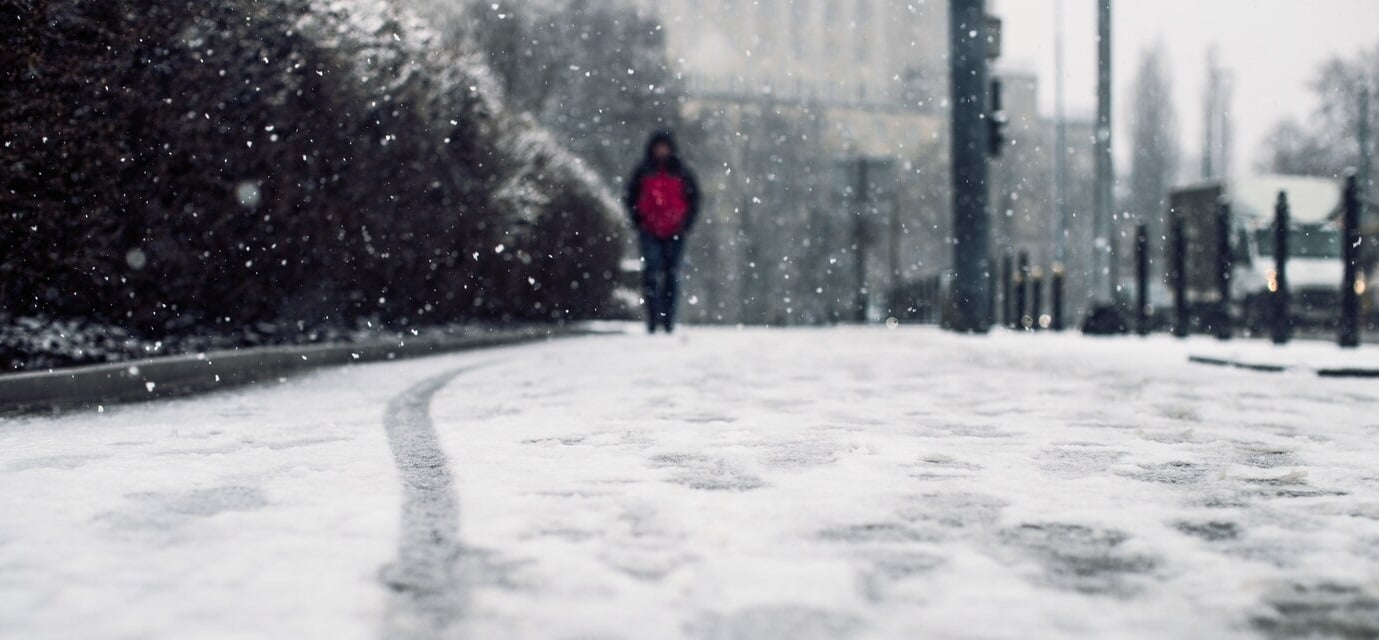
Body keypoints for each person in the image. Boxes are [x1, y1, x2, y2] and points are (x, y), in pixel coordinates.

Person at [624, 130, 700, 334]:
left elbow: (694, 199)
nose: (661, 151)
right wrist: (638, 220)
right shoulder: (643, 170)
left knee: (670, 276)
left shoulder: (682, 171)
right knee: (651, 273)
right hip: (649, 230)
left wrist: (686, 224)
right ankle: (652, 319)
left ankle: (667, 321)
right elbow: (630, 196)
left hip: (675, 231)